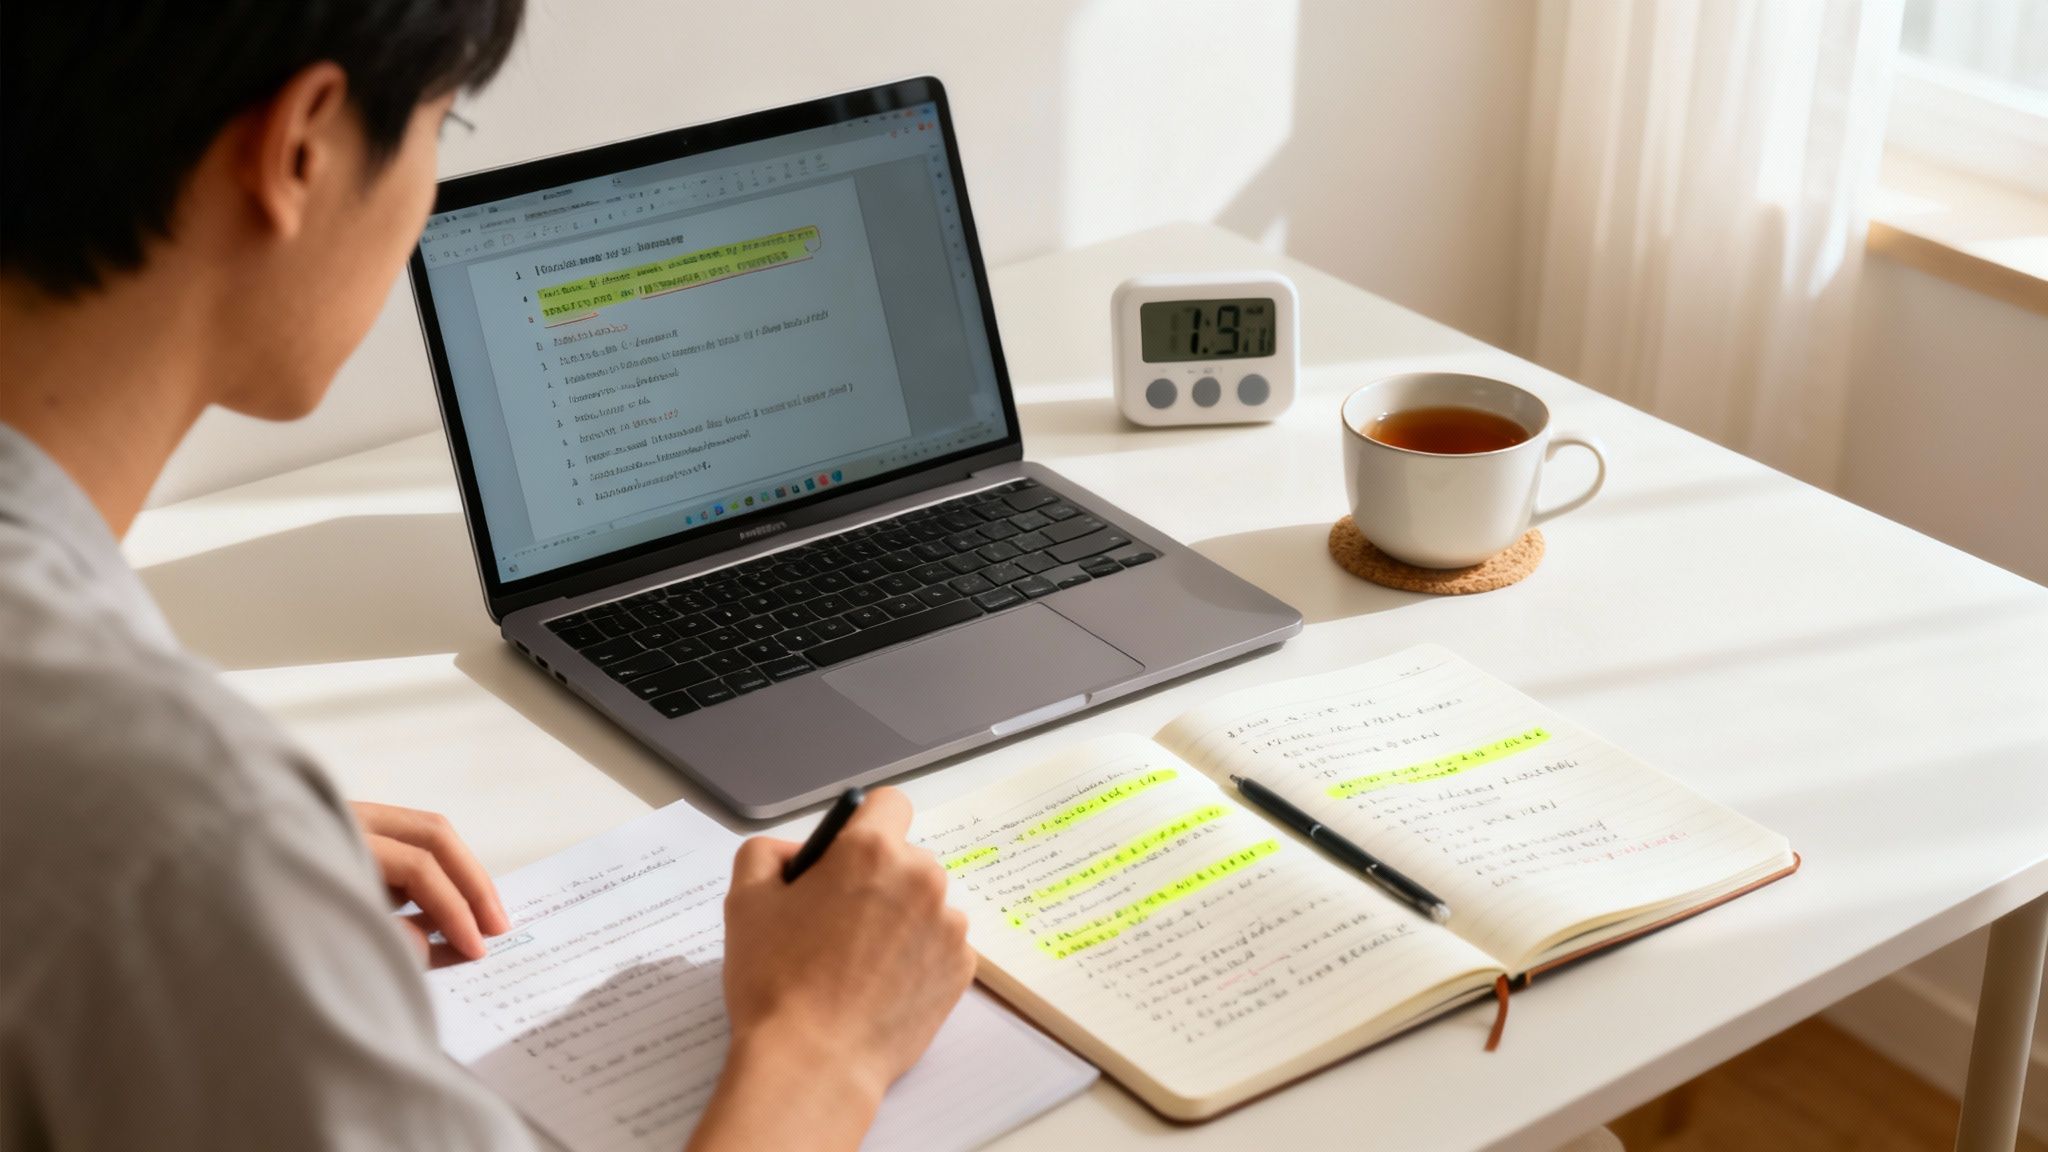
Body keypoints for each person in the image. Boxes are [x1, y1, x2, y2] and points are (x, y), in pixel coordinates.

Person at [0, 4, 975, 1150]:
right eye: (439, 126)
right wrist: (824, 1043)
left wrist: (214, 869)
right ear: (301, 146)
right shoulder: (178, 828)